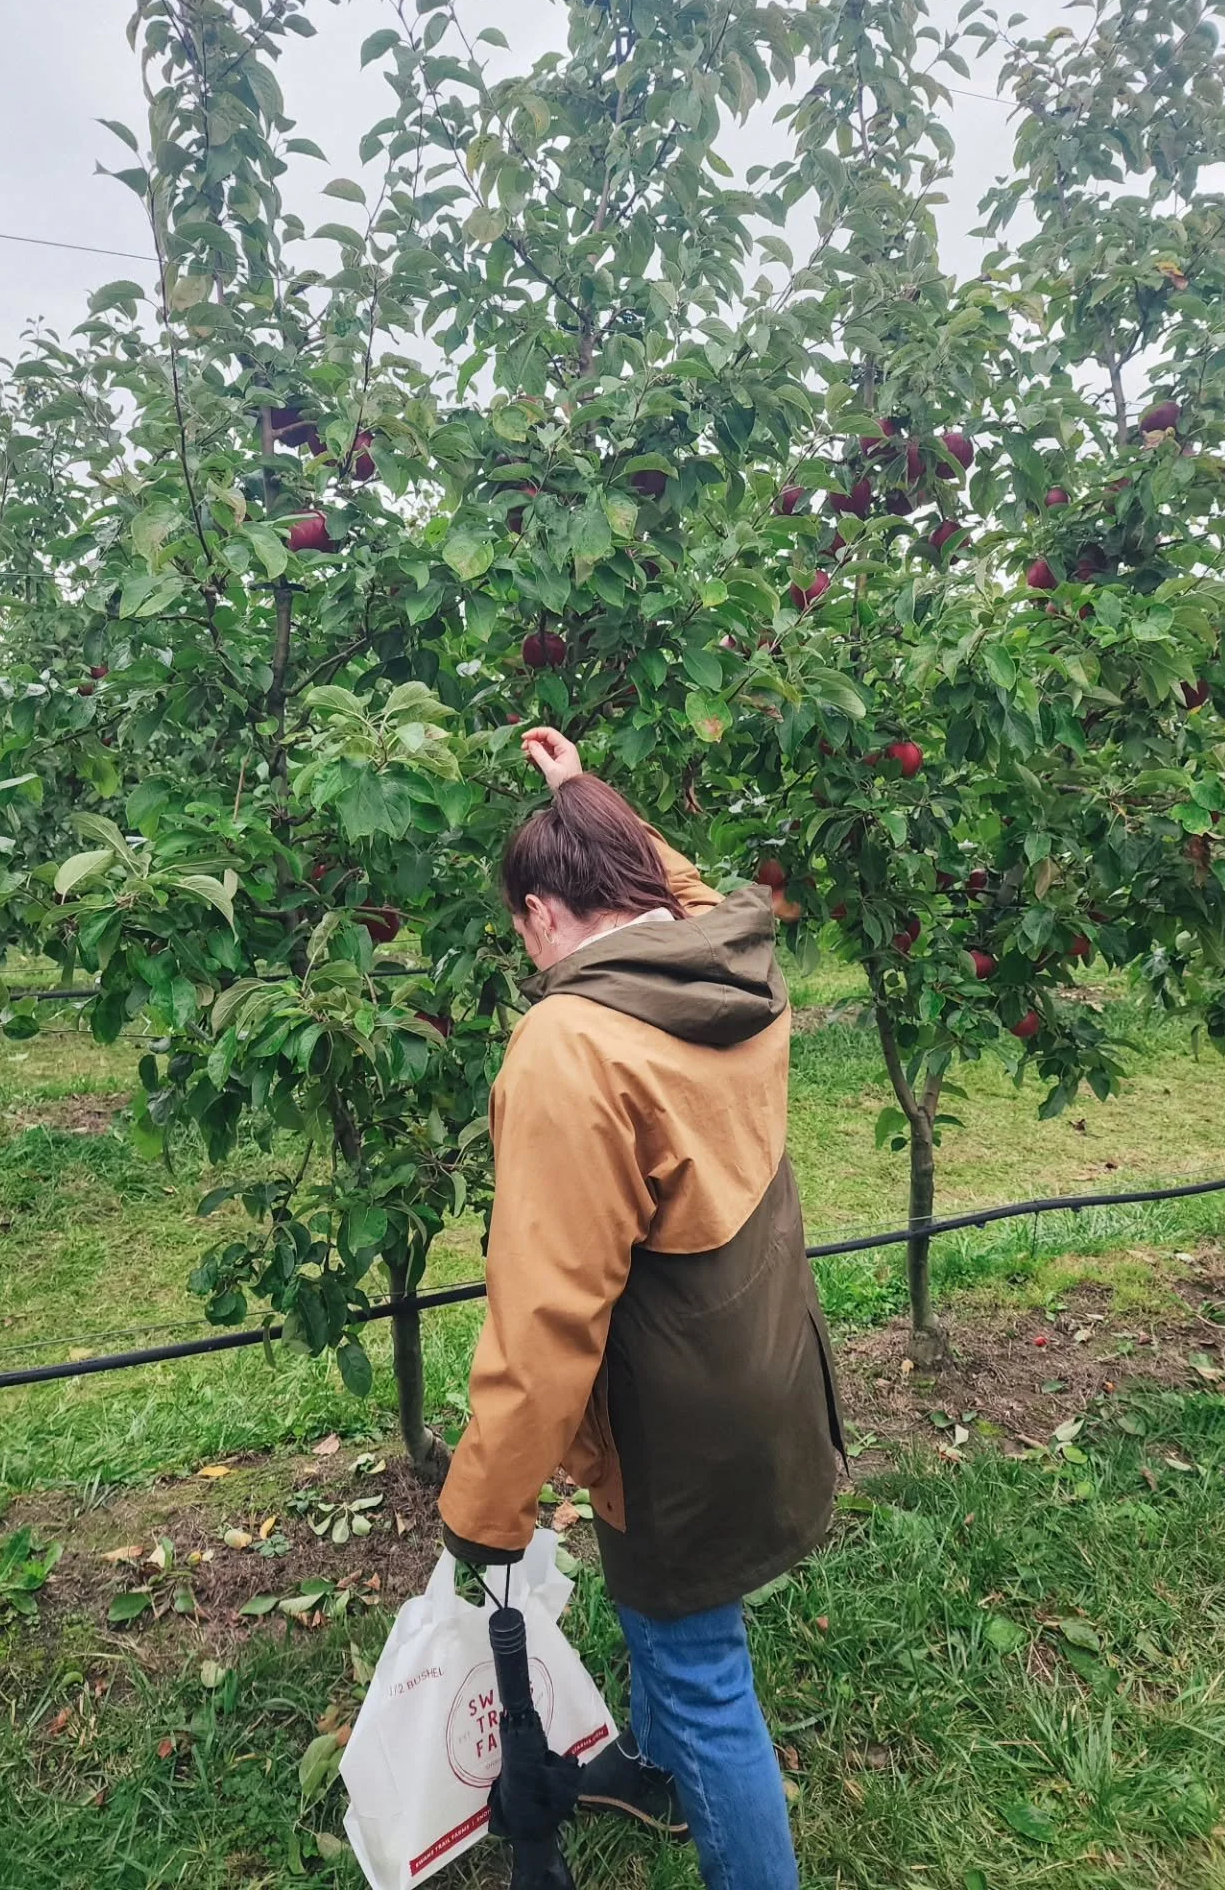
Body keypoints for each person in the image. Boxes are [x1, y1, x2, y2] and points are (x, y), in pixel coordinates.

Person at [438, 727, 845, 1890]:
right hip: (763, 1348)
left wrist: (486, 1507)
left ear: (540, 913)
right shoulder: (733, 963)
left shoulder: (573, 1045)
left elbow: (547, 1312)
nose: (529, 953)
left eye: (525, 929)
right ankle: (654, 1762)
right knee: (680, 1620)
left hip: (671, 1413)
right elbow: (686, 885)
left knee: (703, 1663)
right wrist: (585, 798)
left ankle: (718, 1814)